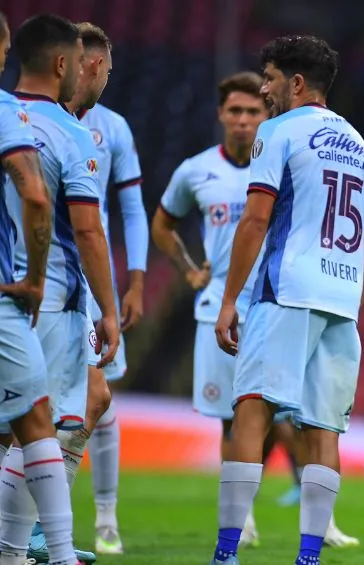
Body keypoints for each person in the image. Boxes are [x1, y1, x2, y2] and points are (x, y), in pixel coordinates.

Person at [210, 34, 364, 565]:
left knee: (252, 410)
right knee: (324, 429)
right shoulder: (362, 146)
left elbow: (257, 218)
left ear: (296, 82)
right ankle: (309, 556)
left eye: (270, 77)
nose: (265, 88)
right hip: (341, 300)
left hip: (286, 291)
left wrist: (229, 299)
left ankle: (226, 552)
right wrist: (353, 301)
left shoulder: (277, 130)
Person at [0, 13, 121, 565]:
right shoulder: (69, 132)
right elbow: (89, 230)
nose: (83, 73)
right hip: (42, 294)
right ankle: (31, 549)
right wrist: (111, 312)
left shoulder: (4, 114)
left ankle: (22, 549)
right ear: (60, 64)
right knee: (36, 426)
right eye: (77, 62)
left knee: (19, 427)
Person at [153, 70, 269, 551]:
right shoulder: (196, 169)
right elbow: (164, 224)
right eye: (236, 111)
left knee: (284, 417)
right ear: (222, 114)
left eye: (253, 112)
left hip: (271, 301)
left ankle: (315, 519)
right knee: (230, 417)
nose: (243, 121)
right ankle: (242, 517)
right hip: (219, 305)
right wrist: (187, 269)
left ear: (267, 116)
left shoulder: (280, 166)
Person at [59, 21, 146, 556]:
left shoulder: (111, 128)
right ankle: (36, 525)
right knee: (74, 402)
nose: (108, 80)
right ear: (88, 64)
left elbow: (131, 207)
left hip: (90, 281)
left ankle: (102, 519)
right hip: (58, 282)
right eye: (107, 70)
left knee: (96, 399)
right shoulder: (46, 124)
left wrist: (133, 280)